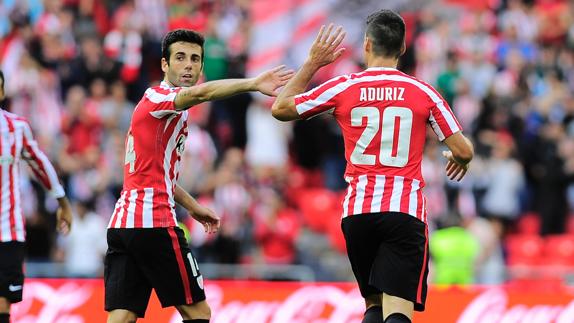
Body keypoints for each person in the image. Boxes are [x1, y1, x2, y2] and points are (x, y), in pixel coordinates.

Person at [271, 10, 474, 323]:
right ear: (403, 48)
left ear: (366, 45)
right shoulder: (423, 92)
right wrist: (459, 159)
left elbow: (281, 108)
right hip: (403, 211)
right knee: (397, 311)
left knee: (374, 307)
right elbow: (463, 148)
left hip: (358, 213)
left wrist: (313, 61)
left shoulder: (344, 87)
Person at [104, 29, 293, 323]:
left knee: (123, 316)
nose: (189, 65)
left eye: (195, 59)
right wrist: (253, 83)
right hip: (154, 223)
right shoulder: (160, 97)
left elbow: (157, 175)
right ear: (165, 65)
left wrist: (194, 207)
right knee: (198, 313)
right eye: (180, 58)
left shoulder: (164, 108)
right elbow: (201, 93)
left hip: (124, 224)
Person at [0, 70, 73, 323]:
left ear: (2, 92)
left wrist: (62, 201)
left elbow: (40, 164)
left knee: (3, 303)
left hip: (8, 232)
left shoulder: (15, 128)